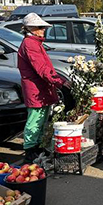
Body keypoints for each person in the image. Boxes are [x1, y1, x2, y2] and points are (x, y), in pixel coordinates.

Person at [17, 13, 69, 163]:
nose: (43, 30)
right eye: (40, 27)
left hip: (41, 88)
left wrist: (58, 80)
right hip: (35, 89)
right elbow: (41, 68)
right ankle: (30, 149)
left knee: (42, 118)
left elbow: (45, 67)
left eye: (43, 27)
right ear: (31, 28)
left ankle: (37, 146)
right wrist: (59, 81)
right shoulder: (30, 44)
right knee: (35, 119)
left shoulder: (35, 43)